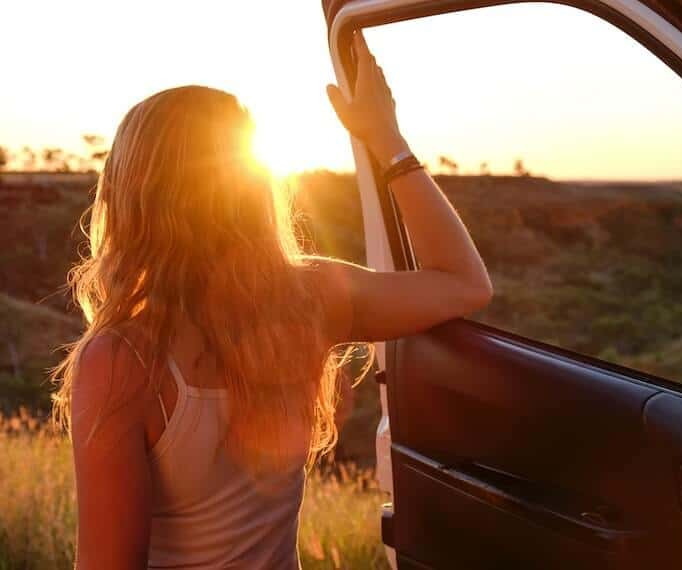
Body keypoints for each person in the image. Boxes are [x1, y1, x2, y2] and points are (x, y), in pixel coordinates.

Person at [50, 31, 492, 570]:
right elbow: (463, 282)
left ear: (129, 195)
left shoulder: (121, 360)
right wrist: (387, 142)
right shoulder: (311, 298)